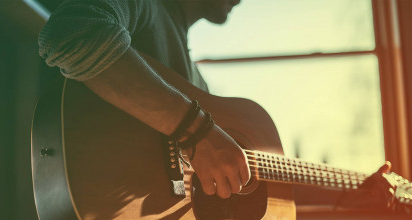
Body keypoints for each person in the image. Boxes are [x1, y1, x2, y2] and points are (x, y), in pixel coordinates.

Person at [39, 0, 396, 210]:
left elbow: (252, 190)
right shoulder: (145, 8)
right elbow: (70, 32)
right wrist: (196, 132)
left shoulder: (197, 84)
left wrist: (350, 194)